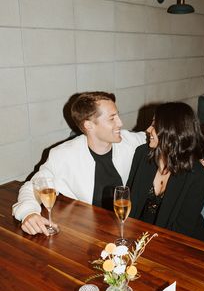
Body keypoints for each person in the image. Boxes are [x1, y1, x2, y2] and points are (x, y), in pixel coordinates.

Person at [12, 91, 145, 236]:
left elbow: (161, 135)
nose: (120, 123)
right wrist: (28, 213)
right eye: (112, 118)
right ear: (89, 125)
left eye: (118, 116)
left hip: (129, 228)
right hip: (86, 233)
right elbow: (33, 186)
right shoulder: (64, 155)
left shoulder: (130, 141)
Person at [127, 102, 204, 243]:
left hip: (182, 243)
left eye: (154, 125)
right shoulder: (142, 154)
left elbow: (181, 230)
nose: (148, 129)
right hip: (141, 235)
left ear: (172, 132)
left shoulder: (198, 176)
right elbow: (130, 204)